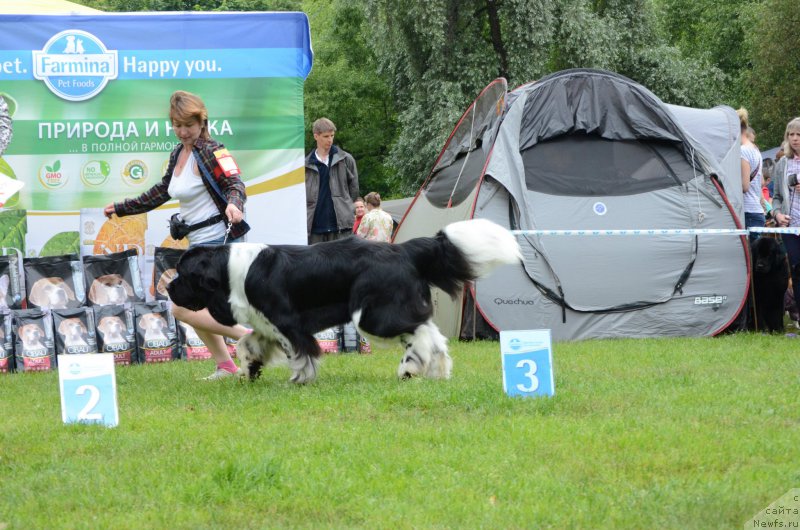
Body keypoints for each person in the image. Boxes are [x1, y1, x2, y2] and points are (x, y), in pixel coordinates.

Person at [103, 90, 251, 380]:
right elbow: (161, 192)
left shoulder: (213, 151)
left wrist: (235, 204)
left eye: (189, 125)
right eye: (177, 125)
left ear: (202, 121)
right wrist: (122, 208)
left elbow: (236, 184)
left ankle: (250, 336)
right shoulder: (178, 154)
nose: (183, 132)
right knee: (194, 306)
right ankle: (226, 365)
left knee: (182, 307)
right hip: (197, 244)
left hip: (219, 242)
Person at [305, 118, 359, 244]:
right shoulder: (305, 165)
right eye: (326, 136)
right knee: (317, 264)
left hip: (341, 227)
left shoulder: (346, 159)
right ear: (316, 136)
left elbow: (354, 190)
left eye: (332, 136)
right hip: (315, 228)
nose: (330, 140)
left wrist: (346, 208)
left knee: (345, 263)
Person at [768, 117, 800, 317]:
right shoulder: (782, 164)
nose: (795, 139)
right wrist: (778, 214)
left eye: (799, 134)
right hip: (791, 227)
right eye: (791, 134)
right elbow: (776, 197)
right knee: (796, 271)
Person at [738, 108, 764, 243]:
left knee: (752, 259)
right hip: (757, 211)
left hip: (748, 212)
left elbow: (745, 186)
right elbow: (761, 182)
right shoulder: (755, 149)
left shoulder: (743, 150)